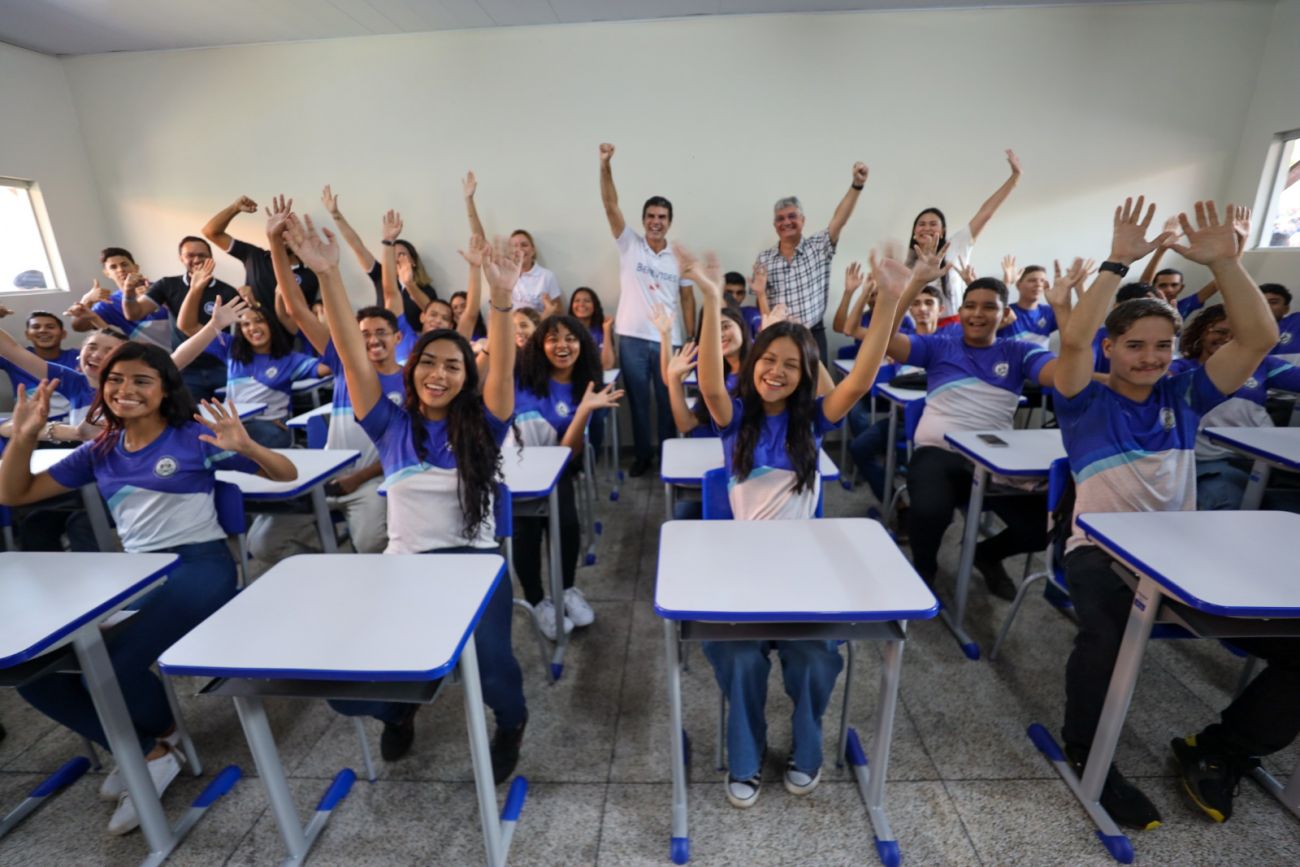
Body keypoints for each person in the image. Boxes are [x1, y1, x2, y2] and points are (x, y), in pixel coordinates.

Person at [1053, 197, 1299, 828]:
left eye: (1162, 346)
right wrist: (1116, 261)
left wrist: (1226, 264)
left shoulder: (1186, 392)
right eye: (1134, 346)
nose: (1150, 357)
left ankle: (1221, 749)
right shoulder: (1082, 401)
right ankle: (1086, 749)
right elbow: (1074, 338)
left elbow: (1259, 337)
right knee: (1106, 635)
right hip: (1099, 551)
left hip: (1181, 557)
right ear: (1110, 349)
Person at [0, 344, 295, 835]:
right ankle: (144, 751)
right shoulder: (99, 449)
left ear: (164, 390)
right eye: (116, 380)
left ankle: (159, 745)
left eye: (142, 380)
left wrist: (248, 447)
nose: (126, 389)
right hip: (135, 574)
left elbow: (285, 474)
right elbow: (13, 493)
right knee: (34, 676)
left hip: (200, 565)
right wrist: (25, 437)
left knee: (112, 669)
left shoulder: (194, 437)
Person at [284, 211, 529, 779]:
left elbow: (503, 368)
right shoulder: (389, 425)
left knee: (492, 667)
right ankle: (399, 709)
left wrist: (500, 299)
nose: (439, 375)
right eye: (429, 364)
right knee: (345, 691)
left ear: (467, 377)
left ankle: (511, 720)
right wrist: (328, 275)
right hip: (406, 566)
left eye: (453, 366)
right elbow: (351, 353)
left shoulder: (486, 424)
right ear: (411, 369)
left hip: (475, 565)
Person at [685, 238, 902, 807]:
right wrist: (711, 299)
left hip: (805, 572)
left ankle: (808, 748)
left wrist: (887, 301)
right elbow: (709, 384)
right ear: (752, 363)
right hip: (744, 573)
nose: (776, 372)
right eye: (768, 360)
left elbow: (858, 383)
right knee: (738, 656)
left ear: (806, 374)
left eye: (790, 364)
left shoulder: (812, 421)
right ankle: (747, 754)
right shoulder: (735, 419)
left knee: (813, 655)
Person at [883, 243, 1079, 600]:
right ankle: (924, 569)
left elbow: (1068, 379)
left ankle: (987, 555)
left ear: (1005, 315)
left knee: (1045, 524)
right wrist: (915, 284)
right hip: (938, 454)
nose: (978, 313)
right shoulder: (939, 346)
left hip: (995, 461)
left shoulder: (1020, 351)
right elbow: (885, 338)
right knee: (929, 511)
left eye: (989, 307)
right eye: (970, 306)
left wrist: (1064, 312)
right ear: (960, 312)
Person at [255, 201, 402, 561]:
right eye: (363, 334)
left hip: (373, 479)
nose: (372, 340)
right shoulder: (344, 362)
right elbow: (295, 308)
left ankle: (353, 565)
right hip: (327, 475)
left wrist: (358, 478)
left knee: (371, 543)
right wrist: (275, 245)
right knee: (261, 544)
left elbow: (409, 448)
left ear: (397, 338)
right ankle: (331, 564)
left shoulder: (412, 381)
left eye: (381, 332)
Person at [513, 313, 622, 638]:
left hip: (555, 467)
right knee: (526, 534)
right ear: (540, 344)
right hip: (515, 471)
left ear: (582, 344)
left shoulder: (583, 387)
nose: (563, 345)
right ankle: (537, 601)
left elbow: (568, 452)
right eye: (553, 339)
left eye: (571, 339)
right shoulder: (521, 375)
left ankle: (566, 589)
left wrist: (585, 410)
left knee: (567, 525)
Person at [599, 142, 695, 477]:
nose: (656, 222)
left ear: (670, 222)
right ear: (643, 220)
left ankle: (669, 454)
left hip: (671, 339)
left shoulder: (679, 257)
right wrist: (605, 165)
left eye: (662, 217)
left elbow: (687, 299)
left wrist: (690, 337)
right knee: (638, 402)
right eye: (651, 216)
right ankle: (643, 456)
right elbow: (610, 205)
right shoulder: (630, 245)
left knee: (670, 400)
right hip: (633, 337)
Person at [1170, 304, 1300, 511]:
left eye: (1237, 336)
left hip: (1267, 460)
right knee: (1226, 501)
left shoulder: (1262, 365)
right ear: (1201, 333)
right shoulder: (1182, 369)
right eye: (1220, 332)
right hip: (1213, 462)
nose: (1227, 340)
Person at [173, 288, 329, 448]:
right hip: (235, 425)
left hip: (271, 426)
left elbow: (328, 367)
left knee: (220, 440)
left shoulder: (290, 359)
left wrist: (324, 330)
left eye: (259, 321)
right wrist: (195, 288)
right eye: (246, 324)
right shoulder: (231, 347)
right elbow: (186, 325)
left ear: (271, 326)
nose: (253, 328)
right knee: (195, 435)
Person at [754, 161, 869, 362]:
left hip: (813, 334)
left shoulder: (818, 246)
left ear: (803, 220)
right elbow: (761, 303)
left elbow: (839, 220)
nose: (786, 222)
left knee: (817, 382)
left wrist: (856, 185)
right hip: (778, 336)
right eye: (780, 219)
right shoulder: (763, 259)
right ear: (775, 225)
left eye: (792, 216)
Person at [907, 150, 1023, 320]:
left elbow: (985, 214)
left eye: (933, 224)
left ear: (943, 231)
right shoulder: (906, 260)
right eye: (922, 224)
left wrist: (1014, 178)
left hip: (958, 325)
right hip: (920, 329)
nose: (927, 228)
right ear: (914, 231)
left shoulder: (955, 245)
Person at [122, 236, 240, 402]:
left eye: (202, 255)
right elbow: (134, 314)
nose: (197, 260)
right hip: (186, 368)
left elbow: (244, 330)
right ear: (181, 258)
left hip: (222, 367)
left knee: (230, 412)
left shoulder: (228, 291)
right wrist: (128, 292)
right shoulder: (167, 285)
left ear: (211, 259)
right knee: (190, 414)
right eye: (190, 255)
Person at [319, 185, 430, 332]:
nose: (396, 260)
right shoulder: (380, 275)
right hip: (380, 339)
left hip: (410, 341)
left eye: (402, 255)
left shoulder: (425, 289)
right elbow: (357, 247)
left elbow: (430, 312)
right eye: (392, 255)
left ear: (413, 261)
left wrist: (410, 285)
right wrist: (336, 215)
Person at [202, 194, 319, 324]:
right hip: (253, 332)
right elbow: (211, 232)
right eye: (278, 230)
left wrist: (257, 304)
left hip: (289, 336)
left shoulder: (311, 275)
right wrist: (235, 208)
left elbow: (305, 320)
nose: (283, 236)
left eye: (288, 230)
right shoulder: (255, 256)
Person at [69, 249, 173, 349]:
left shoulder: (162, 288)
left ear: (136, 267)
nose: (120, 270)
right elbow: (79, 327)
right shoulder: (110, 303)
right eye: (113, 267)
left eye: (124, 264)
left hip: (181, 348)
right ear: (107, 273)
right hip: (151, 357)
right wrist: (87, 301)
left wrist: (155, 298)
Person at [569, 287, 616, 370]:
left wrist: (607, 329)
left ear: (595, 305)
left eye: (587, 301)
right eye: (577, 301)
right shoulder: (566, 329)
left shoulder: (602, 329)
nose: (581, 304)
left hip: (597, 375)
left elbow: (607, 365)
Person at [1261, 283, 1300, 362]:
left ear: (1286, 308)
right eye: (1261, 302)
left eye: (1273, 302)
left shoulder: (1296, 321)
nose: (1266, 306)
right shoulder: (1242, 332)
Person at [723, 271, 762, 336]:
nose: (734, 297)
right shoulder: (712, 316)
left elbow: (766, 333)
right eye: (729, 292)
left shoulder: (751, 314)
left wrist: (761, 294)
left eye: (739, 293)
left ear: (744, 295)